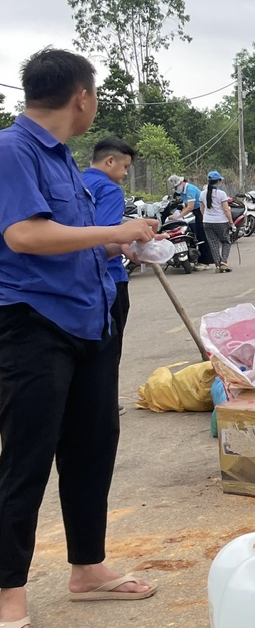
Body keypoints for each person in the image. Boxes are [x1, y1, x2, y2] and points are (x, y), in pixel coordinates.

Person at [0, 48, 158, 627]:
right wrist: (115, 228)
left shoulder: (65, 160)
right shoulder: (12, 150)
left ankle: (87, 567)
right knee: (27, 455)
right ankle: (7, 593)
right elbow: (23, 234)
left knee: (93, 446)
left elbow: (69, 234)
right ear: (82, 97)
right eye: (94, 97)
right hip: (34, 325)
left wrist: (117, 245)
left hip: (90, 320)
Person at [84, 137, 139, 415]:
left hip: (79, 279)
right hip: (110, 279)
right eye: (125, 167)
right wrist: (130, 244)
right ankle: (104, 403)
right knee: (109, 346)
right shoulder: (110, 190)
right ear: (109, 161)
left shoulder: (77, 184)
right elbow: (105, 237)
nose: (125, 174)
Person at [170, 174, 214, 269]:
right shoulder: (182, 192)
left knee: (202, 237)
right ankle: (199, 259)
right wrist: (181, 215)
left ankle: (205, 262)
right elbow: (186, 205)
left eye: (176, 186)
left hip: (201, 212)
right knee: (196, 235)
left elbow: (190, 206)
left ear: (181, 183)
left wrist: (178, 217)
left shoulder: (190, 189)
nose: (176, 188)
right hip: (196, 213)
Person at [201, 171, 234, 273]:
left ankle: (217, 265)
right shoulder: (221, 194)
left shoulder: (202, 193)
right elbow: (226, 210)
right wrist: (231, 223)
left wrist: (207, 218)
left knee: (213, 244)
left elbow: (202, 209)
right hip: (221, 221)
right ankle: (223, 262)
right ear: (219, 181)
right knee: (226, 241)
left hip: (207, 221)